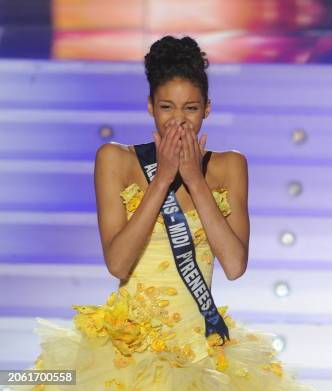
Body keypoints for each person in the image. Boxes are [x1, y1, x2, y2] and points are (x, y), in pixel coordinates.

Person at [23, 36, 310, 391]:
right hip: (128, 350)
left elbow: (235, 265)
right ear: (150, 107)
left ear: (207, 108)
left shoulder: (229, 166)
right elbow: (117, 263)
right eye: (166, 108)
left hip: (202, 351)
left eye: (190, 108)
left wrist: (194, 179)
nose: (179, 122)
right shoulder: (116, 160)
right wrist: (161, 181)